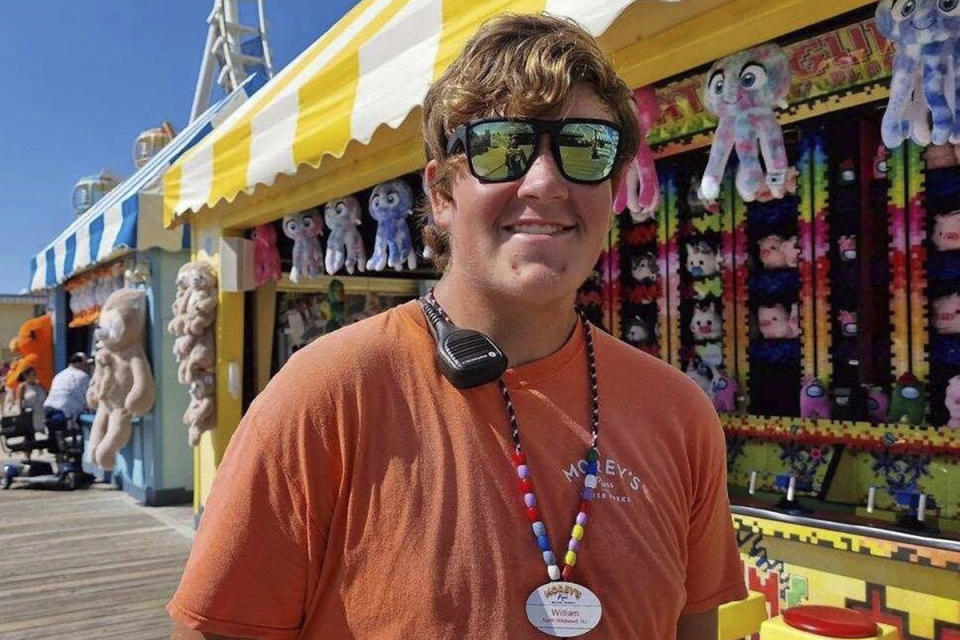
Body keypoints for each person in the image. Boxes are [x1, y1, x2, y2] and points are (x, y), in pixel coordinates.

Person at [169, 14, 746, 640]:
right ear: (442, 193)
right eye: (501, 147)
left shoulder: (678, 414)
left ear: (613, 188)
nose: (546, 182)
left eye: (586, 147)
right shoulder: (325, 398)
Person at [43, 351, 91, 431]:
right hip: (66, 416)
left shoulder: (59, 375)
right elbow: (88, 398)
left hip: (49, 412)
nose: (86, 367)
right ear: (79, 363)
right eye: (85, 364)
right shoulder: (83, 376)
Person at [16, 367, 47, 435]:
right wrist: (21, 415)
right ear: (26, 376)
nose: (34, 376)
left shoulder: (39, 384)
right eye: (32, 374)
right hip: (30, 418)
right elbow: (20, 402)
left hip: (42, 415)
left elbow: (46, 396)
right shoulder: (23, 387)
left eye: (35, 374)